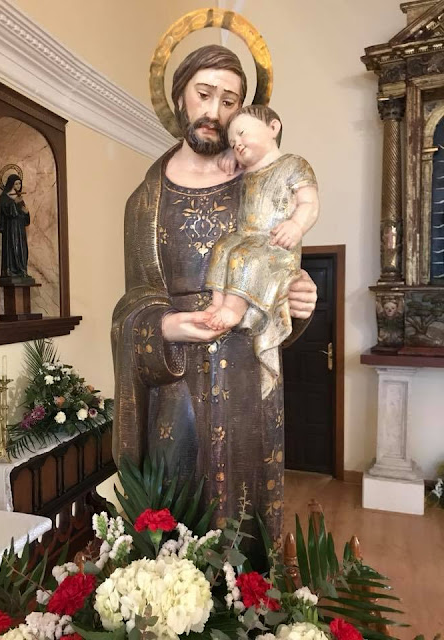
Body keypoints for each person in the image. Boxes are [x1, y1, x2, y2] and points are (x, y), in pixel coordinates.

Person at [111, 45, 317, 547]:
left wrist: (297, 298)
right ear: (179, 98)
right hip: (176, 380)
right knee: (176, 522)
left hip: (246, 374)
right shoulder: (146, 200)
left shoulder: (262, 183)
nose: (214, 112)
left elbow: (279, 271)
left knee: (246, 527)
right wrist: (166, 326)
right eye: (203, 94)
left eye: (229, 102)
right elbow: (132, 306)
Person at [205, 105, 319, 397]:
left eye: (242, 133)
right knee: (224, 248)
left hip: (277, 246)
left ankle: (232, 311)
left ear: (273, 128)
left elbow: (309, 203)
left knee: (244, 256)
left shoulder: (293, 164)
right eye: (232, 141)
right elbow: (227, 162)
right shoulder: (245, 171)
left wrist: (296, 225)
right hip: (247, 237)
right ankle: (218, 304)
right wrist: (229, 154)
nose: (237, 143)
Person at [0, 174, 30, 280]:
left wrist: (26, 213)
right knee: (13, 248)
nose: (18, 186)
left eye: (19, 183)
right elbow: (5, 211)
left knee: (22, 248)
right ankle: (11, 270)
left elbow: (23, 213)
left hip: (20, 228)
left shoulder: (19, 197)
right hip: (11, 228)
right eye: (16, 183)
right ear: (11, 184)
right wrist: (14, 203)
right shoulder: (4, 197)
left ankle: (22, 269)